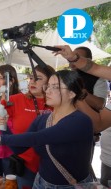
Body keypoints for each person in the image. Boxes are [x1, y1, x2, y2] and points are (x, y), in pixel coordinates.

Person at [0, 70, 94, 188]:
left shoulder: (81, 121)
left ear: (71, 93)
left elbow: (37, 138)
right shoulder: (43, 119)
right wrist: (3, 126)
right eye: (48, 86)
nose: (48, 91)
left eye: (55, 87)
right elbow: (18, 149)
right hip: (40, 182)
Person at [0, 65, 55, 188]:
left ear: (51, 82)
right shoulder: (17, 100)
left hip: (51, 165)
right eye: (31, 77)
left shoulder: (56, 103)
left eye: (38, 78)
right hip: (25, 165)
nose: (32, 81)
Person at [55, 45, 111, 187]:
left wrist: (77, 94)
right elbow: (96, 68)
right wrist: (73, 57)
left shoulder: (98, 80)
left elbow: (98, 116)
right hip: (107, 161)